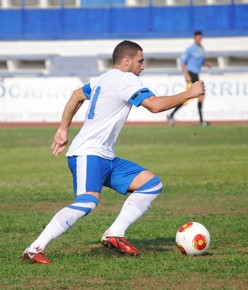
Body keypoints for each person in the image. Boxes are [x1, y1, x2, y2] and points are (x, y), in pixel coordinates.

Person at [22, 40, 206, 264]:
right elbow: (155, 105)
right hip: (88, 154)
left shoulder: (104, 78)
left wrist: (63, 129)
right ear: (127, 61)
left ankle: (115, 234)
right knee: (87, 202)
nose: (143, 66)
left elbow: (75, 95)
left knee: (151, 184)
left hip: (104, 156)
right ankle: (34, 248)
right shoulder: (126, 79)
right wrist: (190, 93)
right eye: (140, 61)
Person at [167, 30, 212, 127]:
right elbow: (182, 62)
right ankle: (172, 115)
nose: (199, 39)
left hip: (196, 75)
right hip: (190, 74)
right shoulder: (190, 49)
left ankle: (172, 115)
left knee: (199, 96)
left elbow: (200, 60)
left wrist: (206, 63)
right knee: (188, 97)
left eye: (200, 37)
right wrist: (186, 75)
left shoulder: (202, 49)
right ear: (194, 38)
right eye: (197, 37)